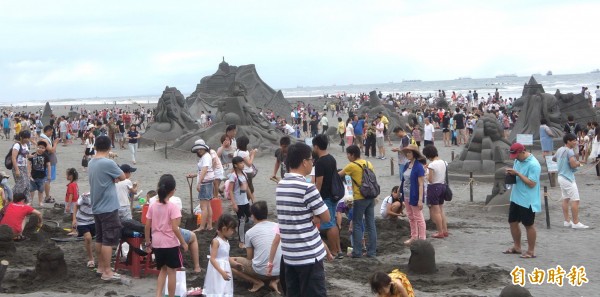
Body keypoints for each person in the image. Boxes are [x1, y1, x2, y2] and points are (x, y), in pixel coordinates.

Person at [276, 142, 330, 297]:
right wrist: (316, 217)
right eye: (311, 160)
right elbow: (326, 217)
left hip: (289, 255)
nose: (312, 163)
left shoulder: (281, 185)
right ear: (304, 162)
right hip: (308, 254)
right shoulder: (307, 187)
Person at [88, 135, 126, 281]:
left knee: (100, 238)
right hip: (108, 206)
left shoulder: (92, 162)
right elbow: (122, 177)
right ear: (110, 147)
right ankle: (108, 271)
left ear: (95, 146)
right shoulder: (108, 163)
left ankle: (100, 267)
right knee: (109, 240)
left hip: (97, 205)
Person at [144, 174, 188, 297]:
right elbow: (175, 227)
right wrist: (183, 242)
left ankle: (158, 295)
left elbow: (147, 226)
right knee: (172, 272)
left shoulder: (152, 205)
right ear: (172, 191)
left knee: (162, 270)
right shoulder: (173, 207)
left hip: (157, 243)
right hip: (170, 243)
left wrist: (148, 242)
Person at [231, 201, 282, 294]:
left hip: (262, 273)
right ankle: (275, 281)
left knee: (228, 262)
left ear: (253, 216)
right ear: (266, 213)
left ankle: (257, 282)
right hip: (280, 271)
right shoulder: (278, 226)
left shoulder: (250, 232)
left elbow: (250, 258)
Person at [338, 144, 377, 258]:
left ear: (352, 155)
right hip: (370, 196)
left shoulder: (351, 165)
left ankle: (357, 252)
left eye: (348, 154)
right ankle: (372, 252)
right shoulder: (368, 163)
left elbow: (339, 175)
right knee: (371, 225)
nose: (347, 157)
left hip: (360, 197)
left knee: (357, 224)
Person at [503, 143, 541, 259]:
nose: (515, 158)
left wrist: (518, 174)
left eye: (516, 155)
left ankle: (531, 251)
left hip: (528, 199)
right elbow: (516, 174)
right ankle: (517, 247)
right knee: (512, 222)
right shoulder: (517, 161)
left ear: (522, 152)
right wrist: (511, 174)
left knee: (529, 225)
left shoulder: (534, 165)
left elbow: (532, 183)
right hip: (516, 197)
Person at [312, 134, 343, 259]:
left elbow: (319, 183)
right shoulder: (331, 158)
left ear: (316, 146)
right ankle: (339, 250)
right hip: (334, 194)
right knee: (333, 222)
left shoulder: (320, 162)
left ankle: (334, 251)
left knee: (329, 225)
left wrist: (315, 198)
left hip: (326, 196)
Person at [554, 134, 589, 229]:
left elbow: (553, 159)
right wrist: (579, 163)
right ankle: (576, 223)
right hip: (568, 178)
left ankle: (567, 221)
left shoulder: (560, 149)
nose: (575, 142)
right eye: (573, 140)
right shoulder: (569, 151)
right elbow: (573, 165)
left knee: (566, 199)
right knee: (576, 200)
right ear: (568, 141)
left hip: (561, 177)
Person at [203, 214, 240, 297]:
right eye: (232, 229)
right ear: (224, 229)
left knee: (224, 288)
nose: (233, 232)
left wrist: (235, 264)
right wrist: (222, 272)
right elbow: (212, 259)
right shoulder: (216, 241)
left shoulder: (226, 241)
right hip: (217, 270)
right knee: (218, 288)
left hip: (225, 268)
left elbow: (226, 256)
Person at [400, 144, 426, 245]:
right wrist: (399, 189)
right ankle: (414, 236)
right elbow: (404, 179)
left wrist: (420, 200)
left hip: (414, 195)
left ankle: (422, 239)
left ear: (414, 153)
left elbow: (421, 185)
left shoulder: (419, 167)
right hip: (406, 195)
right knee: (410, 216)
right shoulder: (407, 165)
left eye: (409, 152)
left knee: (418, 217)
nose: (407, 154)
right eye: (406, 152)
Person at [228, 156, 255, 249]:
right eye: (241, 163)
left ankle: (246, 235)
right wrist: (234, 203)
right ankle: (241, 241)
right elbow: (230, 190)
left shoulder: (244, 174)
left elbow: (247, 188)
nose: (243, 165)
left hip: (245, 202)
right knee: (241, 221)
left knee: (251, 218)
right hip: (238, 203)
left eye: (243, 163)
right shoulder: (233, 176)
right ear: (235, 165)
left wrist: (252, 198)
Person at [422, 145, 449, 238]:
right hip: (442, 186)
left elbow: (430, 179)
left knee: (436, 211)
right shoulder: (444, 162)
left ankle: (440, 232)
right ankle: (445, 230)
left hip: (434, 187)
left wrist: (425, 172)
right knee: (441, 210)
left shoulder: (432, 165)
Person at [190, 139, 214, 231]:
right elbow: (203, 171)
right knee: (208, 205)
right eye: (198, 149)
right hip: (208, 181)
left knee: (203, 206)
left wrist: (199, 183)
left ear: (204, 148)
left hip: (205, 183)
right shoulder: (206, 156)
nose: (199, 150)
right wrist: (195, 175)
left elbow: (204, 170)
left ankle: (202, 227)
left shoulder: (206, 157)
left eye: (200, 148)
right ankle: (209, 225)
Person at [72, 192, 96, 268]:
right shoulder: (85, 195)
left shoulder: (102, 195)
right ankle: (91, 259)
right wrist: (74, 219)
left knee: (91, 239)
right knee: (88, 238)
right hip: (82, 220)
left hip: (93, 221)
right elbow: (76, 205)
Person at [28, 141, 51, 207]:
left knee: (41, 190)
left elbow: (48, 165)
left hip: (42, 176)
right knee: (31, 190)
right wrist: (28, 173)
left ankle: (40, 201)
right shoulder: (33, 154)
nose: (40, 149)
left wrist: (49, 175)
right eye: (39, 147)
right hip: (33, 176)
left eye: (42, 148)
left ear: (45, 149)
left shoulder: (45, 155)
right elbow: (29, 163)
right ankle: (30, 201)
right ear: (36, 147)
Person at [12, 131, 31, 203]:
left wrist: (33, 155)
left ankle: (27, 201)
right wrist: (17, 170)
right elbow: (13, 158)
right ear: (21, 137)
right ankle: (11, 197)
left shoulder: (26, 145)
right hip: (18, 167)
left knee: (27, 184)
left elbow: (27, 155)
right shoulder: (17, 145)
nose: (27, 139)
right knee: (21, 184)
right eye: (25, 138)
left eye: (28, 138)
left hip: (24, 167)